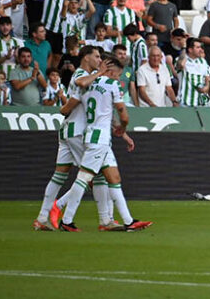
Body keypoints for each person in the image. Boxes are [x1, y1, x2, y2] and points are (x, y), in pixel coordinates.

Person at [56, 56, 152, 232]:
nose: (119, 78)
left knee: (114, 179)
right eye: (118, 74)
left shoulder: (86, 84)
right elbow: (123, 113)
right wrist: (123, 128)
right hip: (98, 139)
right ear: (111, 71)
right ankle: (66, 220)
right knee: (84, 178)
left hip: (94, 136)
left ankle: (127, 221)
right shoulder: (112, 85)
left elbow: (75, 95)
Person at [32, 46, 112, 231]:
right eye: (97, 56)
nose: (100, 60)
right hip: (77, 131)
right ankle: (104, 220)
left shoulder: (88, 75)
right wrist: (99, 73)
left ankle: (42, 217)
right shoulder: (82, 73)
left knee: (59, 176)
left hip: (67, 130)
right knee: (95, 175)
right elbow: (81, 83)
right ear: (86, 57)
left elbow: (68, 107)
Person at [38, 0, 72, 68]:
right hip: (47, 27)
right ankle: (45, 77)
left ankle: (53, 77)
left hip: (61, 30)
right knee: (48, 55)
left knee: (58, 56)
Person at [178, 37, 210, 107]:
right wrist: (184, 48)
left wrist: (206, 87)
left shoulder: (203, 61)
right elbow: (181, 65)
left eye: (201, 47)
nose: (201, 50)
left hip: (201, 102)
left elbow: (208, 79)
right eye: (198, 47)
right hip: (185, 102)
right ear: (190, 49)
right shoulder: (183, 60)